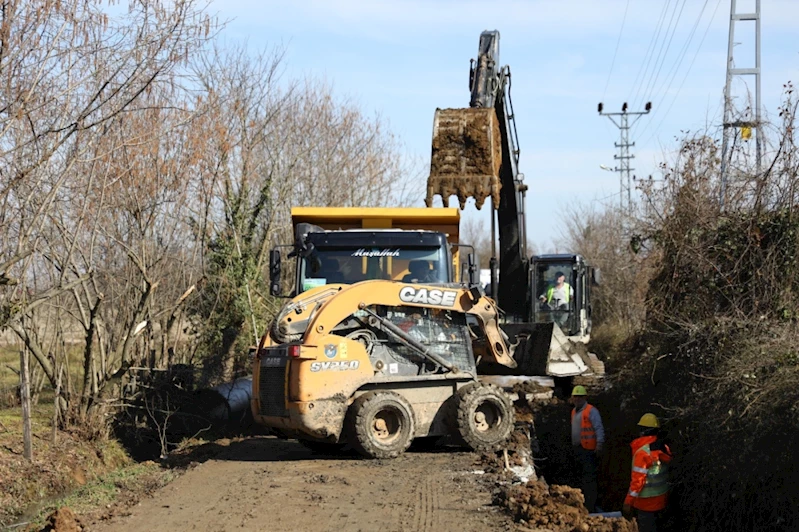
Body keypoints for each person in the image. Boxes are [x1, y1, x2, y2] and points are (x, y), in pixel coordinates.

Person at [622, 413, 672, 532]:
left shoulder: (642, 453)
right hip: (662, 500)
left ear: (642, 431)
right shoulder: (663, 448)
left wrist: (628, 502)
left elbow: (638, 482)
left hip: (646, 504)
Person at [570, 384, 604, 513]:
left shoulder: (591, 411)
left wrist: (599, 444)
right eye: (575, 397)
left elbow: (598, 428)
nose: (577, 399)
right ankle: (582, 504)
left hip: (589, 450)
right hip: (578, 450)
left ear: (585, 398)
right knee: (580, 478)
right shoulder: (574, 411)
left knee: (589, 480)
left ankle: (591, 506)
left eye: (580, 397)